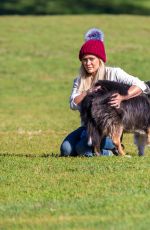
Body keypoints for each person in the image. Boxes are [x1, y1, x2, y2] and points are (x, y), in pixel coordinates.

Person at [60, 28, 150, 157]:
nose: (88, 63)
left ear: (100, 59)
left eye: (91, 59)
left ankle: (112, 149)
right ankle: (99, 146)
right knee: (66, 150)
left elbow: (141, 85)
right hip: (89, 125)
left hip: (109, 127)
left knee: (83, 149)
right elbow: (73, 103)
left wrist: (123, 97)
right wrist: (88, 92)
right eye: (84, 60)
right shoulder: (80, 80)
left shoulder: (114, 73)